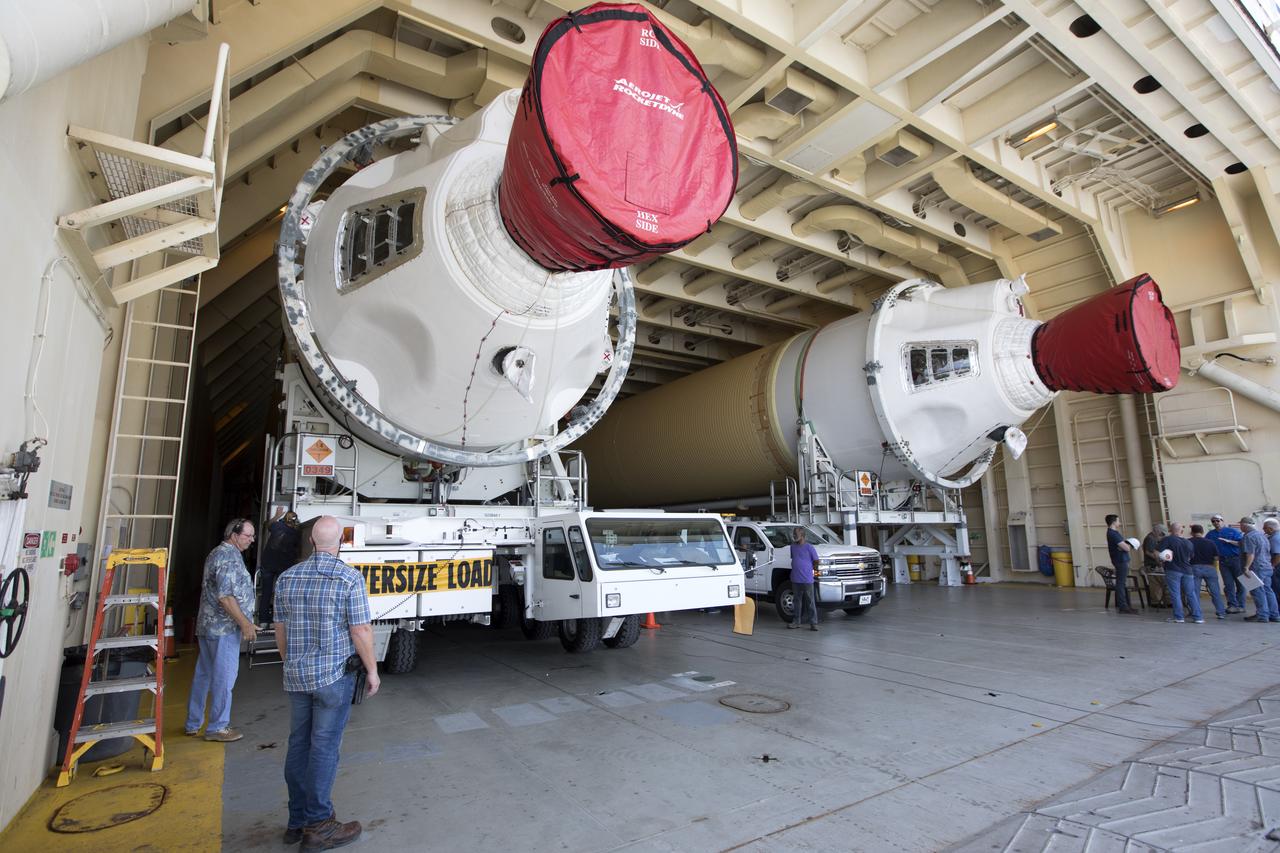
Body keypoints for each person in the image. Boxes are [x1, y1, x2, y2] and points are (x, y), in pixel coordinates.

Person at [274, 515, 379, 849]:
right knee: (323, 747)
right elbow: (360, 630)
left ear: (311, 541)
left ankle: (297, 822)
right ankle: (319, 824)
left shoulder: (286, 578)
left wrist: (290, 662)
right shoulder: (349, 578)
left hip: (297, 676)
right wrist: (372, 670)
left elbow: (280, 629)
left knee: (299, 745)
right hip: (332, 677)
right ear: (342, 543)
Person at [185, 518, 258, 742]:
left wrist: (246, 619)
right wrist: (245, 623)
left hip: (210, 626)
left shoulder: (218, 553)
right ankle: (217, 727)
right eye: (248, 535)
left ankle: (193, 723)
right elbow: (226, 597)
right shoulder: (228, 557)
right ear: (234, 535)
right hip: (223, 629)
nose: (252, 540)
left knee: (204, 675)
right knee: (224, 678)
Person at [258, 507, 301, 625]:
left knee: (266, 592)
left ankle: (263, 620)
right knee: (281, 593)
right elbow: (296, 550)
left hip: (268, 563)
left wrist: (277, 515)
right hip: (283, 566)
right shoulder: (296, 533)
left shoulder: (276, 526)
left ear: (285, 518)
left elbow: (268, 525)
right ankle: (278, 620)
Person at [1158, 522, 1201, 623]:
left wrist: (1161, 560)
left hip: (1173, 570)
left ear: (1170, 530)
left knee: (1175, 594)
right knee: (1191, 594)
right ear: (1181, 531)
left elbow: (1157, 552)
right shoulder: (1188, 542)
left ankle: (1179, 617)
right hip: (1188, 570)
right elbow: (1190, 557)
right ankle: (1198, 617)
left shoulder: (1167, 539)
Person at [1240, 516, 1276, 623]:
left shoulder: (1248, 536)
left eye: (1241, 525)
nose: (1240, 527)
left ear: (1244, 525)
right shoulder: (1262, 535)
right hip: (1266, 566)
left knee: (1257, 591)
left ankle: (1262, 615)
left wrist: (1246, 567)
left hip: (1256, 568)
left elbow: (1251, 554)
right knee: (1268, 590)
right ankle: (1274, 614)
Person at [1206, 514, 1245, 613]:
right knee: (1228, 584)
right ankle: (1232, 605)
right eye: (1213, 521)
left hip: (1236, 559)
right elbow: (1207, 546)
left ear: (1222, 521)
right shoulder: (1210, 534)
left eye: (1218, 520)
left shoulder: (1233, 531)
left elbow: (1241, 544)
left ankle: (1241, 605)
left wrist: (1229, 541)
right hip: (1222, 561)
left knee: (1241, 583)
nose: (1216, 523)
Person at [1188, 524, 1226, 620]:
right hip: (1210, 568)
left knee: (1194, 592)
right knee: (1215, 592)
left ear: (1192, 532)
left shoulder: (1188, 542)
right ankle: (1221, 612)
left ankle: (1195, 612)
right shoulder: (1210, 542)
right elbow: (1216, 557)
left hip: (1194, 568)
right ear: (1202, 532)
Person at [1104, 515, 1138, 614]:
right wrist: (1130, 545)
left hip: (1120, 560)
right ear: (1113, 522)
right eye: (1118, 521)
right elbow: (1126, 548)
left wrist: (1125, 545)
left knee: (1122, 583)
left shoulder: (1114, 533)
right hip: (1120, 561)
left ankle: (1125, 605)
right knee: (1121, 583)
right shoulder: (1113, 534)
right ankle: (1123, 606)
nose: (1119, 522)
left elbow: (1122, 546)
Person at [788, 528, 820, 631]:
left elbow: (816, 560)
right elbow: (794, 558)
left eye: (796, 534)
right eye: (794, 534)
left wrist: (812, 571)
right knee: (797, 601)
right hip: (795, 578)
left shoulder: (809, 547)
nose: (794, 536)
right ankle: (796, 622)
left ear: (802, 535)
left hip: (807, 579)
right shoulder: (792, 547)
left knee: (810, 601)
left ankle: (813, 623)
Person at [1143, 523, 1169, 608]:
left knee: (1159, 584)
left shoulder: (1153, 538)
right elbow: (1148, 552)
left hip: (1155, 565)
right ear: (1157, 531)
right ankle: (1156, 602)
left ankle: (1161, 601)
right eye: (1161, 533)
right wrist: (1160, 558)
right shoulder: (1150, 539)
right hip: (1152, 565)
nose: (1162, 536)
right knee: (1156, 585)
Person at [1265, 518, 1280, 607]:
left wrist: (1272, 566)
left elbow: (1278, 555)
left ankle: (1277, 610)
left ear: (1270, 529)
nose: (1263, 530)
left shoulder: (1274, 538)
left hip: (1277, 567)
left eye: (1265, 528)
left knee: (1276, 588)